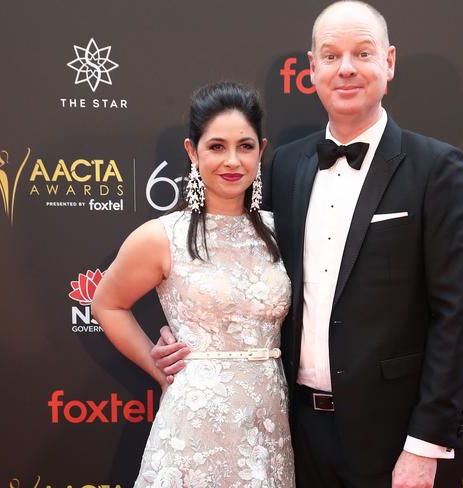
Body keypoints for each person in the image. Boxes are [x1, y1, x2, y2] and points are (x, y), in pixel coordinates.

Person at [153, 2, 463, 487]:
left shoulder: (437, 169)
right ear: (312, 70)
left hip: (392, 438)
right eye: (330, 56)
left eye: (362, 53)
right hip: (292, 431)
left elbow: (456, 315)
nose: (345, 68)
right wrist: (190, 340)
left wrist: (425, 445)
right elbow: (242, 264)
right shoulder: (285, 165)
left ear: (388, 63)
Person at [91, 81, 295, 488]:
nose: (232, 160)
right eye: (217, 146)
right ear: (193, 151)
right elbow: (106, 303)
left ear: (262, 150)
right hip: (195, 425)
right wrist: (157, 365)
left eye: (246, 146)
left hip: (268, 421)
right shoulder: (161, 236)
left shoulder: (280, 232)